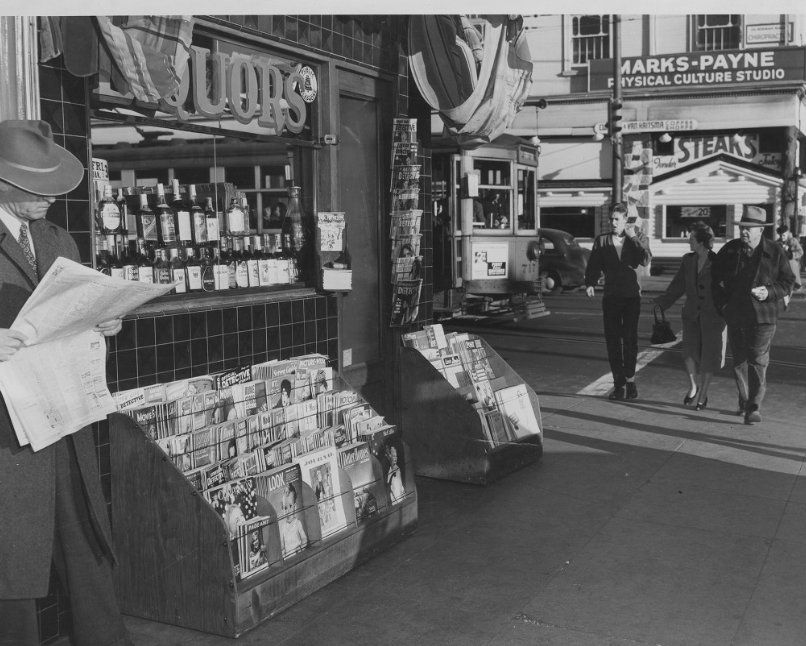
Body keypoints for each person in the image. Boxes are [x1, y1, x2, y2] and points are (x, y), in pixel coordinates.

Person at [0, 120, 131, 646]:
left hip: (64, 416)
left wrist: (104, 321)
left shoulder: (58, 238)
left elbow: (76, 307)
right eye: (38, 188)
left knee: (86, 542)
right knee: (15, 563)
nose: (53, 197)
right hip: (9, 429)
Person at [712, 205, 795, 424]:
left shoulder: (776, 251)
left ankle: (754, 407)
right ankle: (745, 401)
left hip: (764, 316)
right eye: (742, 227)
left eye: (749, 228)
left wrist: (770, 292)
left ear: (761, 230)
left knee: (758, 360)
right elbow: (715, 280)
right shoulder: (730, 250)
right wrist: (722, 306)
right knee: (739, 361)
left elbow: (788, 282)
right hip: (736, 314)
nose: (744, 232)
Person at [654, 223, 726, 411]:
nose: (688, 242)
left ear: (702, 242)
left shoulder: (718, 261)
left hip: (713, 317)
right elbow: (678, 285)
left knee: (709, 357)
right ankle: (694, 386)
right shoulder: (688, 260)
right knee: (689, 355)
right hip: (692, 314)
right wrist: (662, 302)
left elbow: (725, 289)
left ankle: (703, 394)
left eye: (692, 239)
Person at [585, 203, 652, 400]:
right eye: (611, 219)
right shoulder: (602, 240)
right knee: (613, 341)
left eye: (617, 219)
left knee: (630, 340)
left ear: (625, 219)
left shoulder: (637, 237)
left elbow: (646, 259)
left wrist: (632, 237)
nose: (613, 222)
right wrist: (590, 282)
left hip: (632, 297)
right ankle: (618, 384)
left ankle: (630, 381)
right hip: (611, 297)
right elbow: (594, 264)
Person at [280, 483, 308, 557]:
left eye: (290, 506)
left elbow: (304, 538)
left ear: (295, 507)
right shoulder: (283, 527)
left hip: (298, 556)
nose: (288, 511)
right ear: (282, 509)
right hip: (288, 557)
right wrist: (280, 550)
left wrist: (301, 547)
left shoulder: (297, 523)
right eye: (285, 508)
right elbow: (282, 544)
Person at [776, 225, 803, 292]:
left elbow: (800, 252)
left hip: (792, 266)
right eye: (781, 235)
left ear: (787, 233)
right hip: (782, 267)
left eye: (784, 235)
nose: (782, 238)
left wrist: (791, 254)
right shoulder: (777, 242)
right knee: (784, 286)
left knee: (793, 285)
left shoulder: (793, 241)